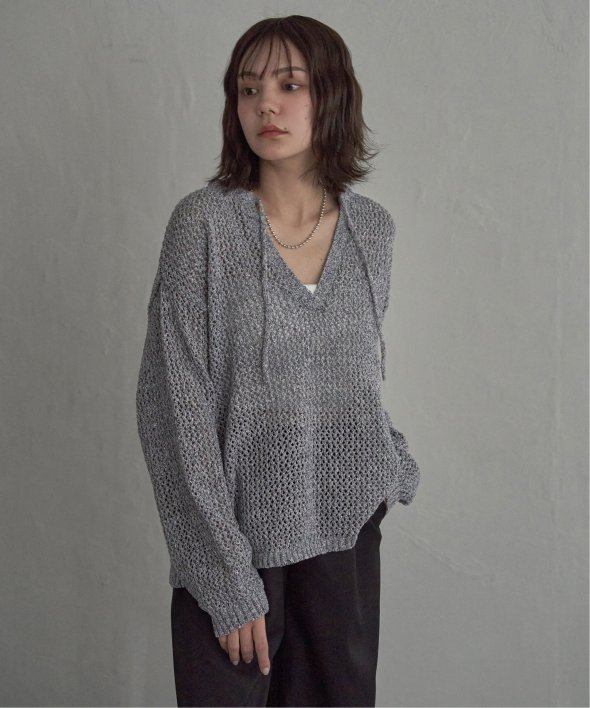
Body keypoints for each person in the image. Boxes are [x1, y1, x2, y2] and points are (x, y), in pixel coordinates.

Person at [135, 14, 421, 708]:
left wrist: (387, 460)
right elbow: (172, 410)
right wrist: (224, 576)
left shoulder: (372, 232)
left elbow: (352, 377)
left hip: (343, 544)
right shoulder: (203, 227)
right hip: (237, 544)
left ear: (332, 95)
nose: (266, 103)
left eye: (290, 85)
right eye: (248, 88)